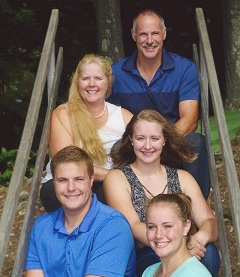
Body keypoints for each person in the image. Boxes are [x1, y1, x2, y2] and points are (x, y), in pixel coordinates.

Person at [108, 9, 210, 200]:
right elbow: (105, 117)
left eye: (154, 33)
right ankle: (124, 219)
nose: (149, 40)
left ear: (163, 34)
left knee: (196, 142)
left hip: (171, 144)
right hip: (132, 147)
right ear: (134, 36)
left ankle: (196, 212)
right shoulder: (116, 73)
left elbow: (189, 119)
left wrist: (158, 144)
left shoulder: (183, 69)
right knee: (112, 147)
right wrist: (141, 146)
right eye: (143, 34)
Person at [103, 109, 220, 277]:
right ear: (131, 140)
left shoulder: (183, 177)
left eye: (155, 138)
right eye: (140, 138)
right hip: (146, 252)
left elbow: (209, 221)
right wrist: (173, 245)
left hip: (184, 246)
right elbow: (133, 225)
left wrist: (199, 238)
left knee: (208, 253)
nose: (148, 146)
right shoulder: (117, 178)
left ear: (164, 140)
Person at [25, 146, 137, 277]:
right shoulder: (41, 227)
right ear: (53, 182)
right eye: (62, 180)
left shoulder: (113, 226)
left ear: (91, 180)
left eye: (79, 179)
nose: (71, 188)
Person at [40, 54, 133, 211]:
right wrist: (114, 177)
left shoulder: (123, 116)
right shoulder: (63, 114)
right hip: (68, 184)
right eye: (85, 79)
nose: (91, 84)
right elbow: (66, 164)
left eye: (98, 78)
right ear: (77, 83)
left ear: (108, 83)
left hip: (107, 183)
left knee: (113, 195)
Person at [142, 193, 212, 277]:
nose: (158, 235)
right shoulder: (149, 271)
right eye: (152, 227)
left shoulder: (194, 274)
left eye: (167, 226)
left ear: (186, 226)